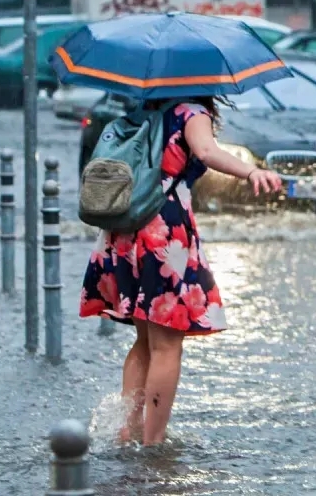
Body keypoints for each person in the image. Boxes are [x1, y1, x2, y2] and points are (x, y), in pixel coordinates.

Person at [79, 99, 283, 445]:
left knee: (144, 341)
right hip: (164, 230)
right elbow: (205, 151)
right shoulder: (190, 111)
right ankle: (153, 442)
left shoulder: (143, 109)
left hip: (128, 227)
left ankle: (127, 432)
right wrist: (251, 171)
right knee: (167, 345)